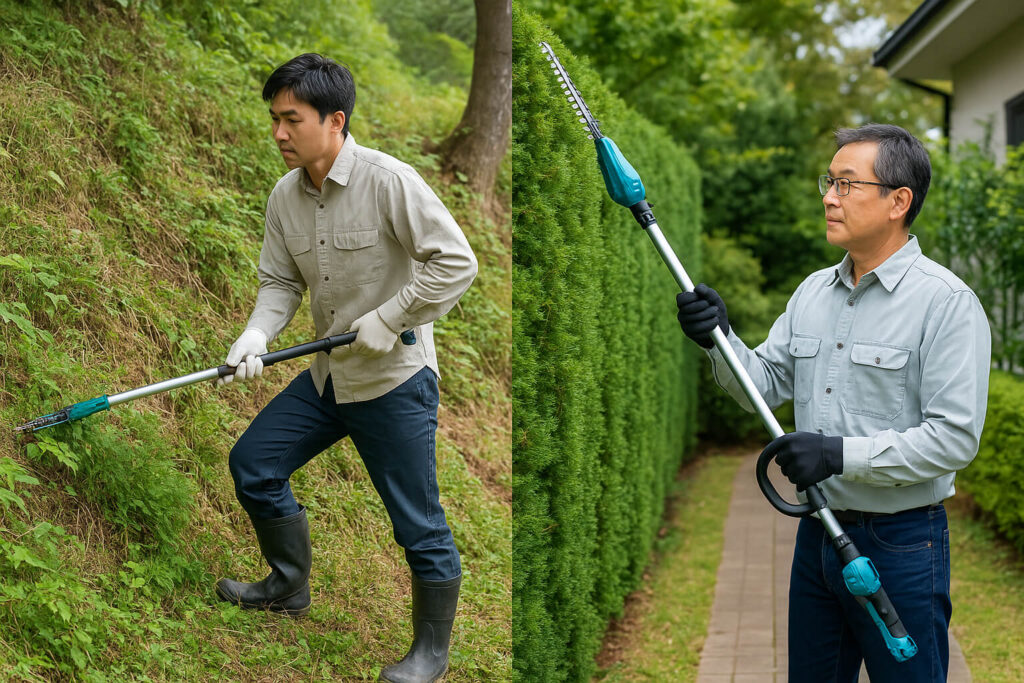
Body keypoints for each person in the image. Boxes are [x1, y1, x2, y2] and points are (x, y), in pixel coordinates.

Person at [676, 124, 990, 682]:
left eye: (846, 184)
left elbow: (954, 438)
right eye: (829, 181)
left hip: (903, 546)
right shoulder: (812, 292)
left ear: (898, 202)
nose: (828, 196)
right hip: (817, 536)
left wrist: (839, 454)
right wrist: (718, 340)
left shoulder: (946, 304)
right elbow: (765, 382)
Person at [213, 53, 478, 683]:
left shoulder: (390, 182)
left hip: (394, 382)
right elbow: (280, 281)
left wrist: (390, 317)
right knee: (254, 465)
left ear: (335, 121)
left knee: (418, 524)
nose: (278, 132)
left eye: (292, 119)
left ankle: (430, 655)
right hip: (328, 377)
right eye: (274, 119)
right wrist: (256, 332)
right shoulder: (286, 194)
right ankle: (287, 585)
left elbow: (456, 262)